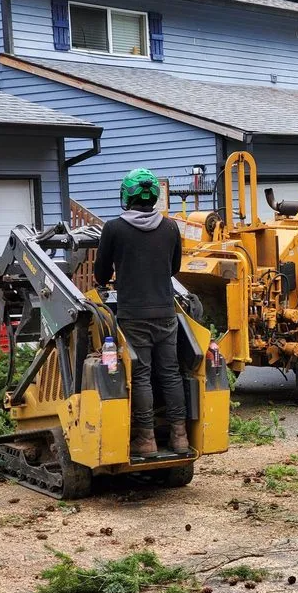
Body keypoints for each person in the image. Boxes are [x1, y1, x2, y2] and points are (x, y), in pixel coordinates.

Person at [94, 168, 188, 458]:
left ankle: (146, 440)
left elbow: (100, 272)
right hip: (166, 313)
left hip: (133, 315)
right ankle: (180, 437)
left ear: (127, 196)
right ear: (154, 197)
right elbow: (174, 268)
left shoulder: (114, 228)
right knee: (171, 373)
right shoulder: (171, 228)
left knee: (142, 375)